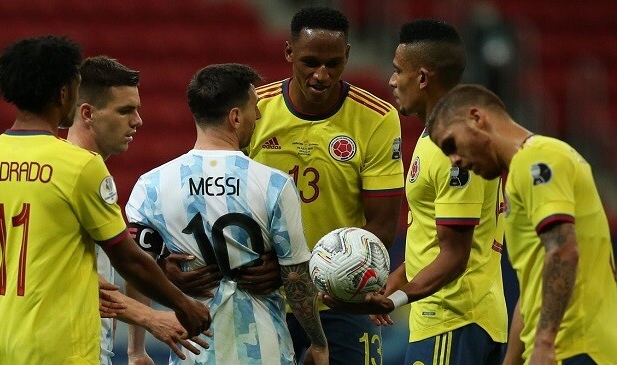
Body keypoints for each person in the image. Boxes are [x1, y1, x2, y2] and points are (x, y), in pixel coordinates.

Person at [0, 35, 210, 364]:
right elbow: (129, 260)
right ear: (64, 92)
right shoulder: (77, 167)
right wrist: (182, 305)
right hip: (63, 348)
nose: (137, 120)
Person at [320, 19, 508, 365]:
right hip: (454, 319)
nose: (391, 81)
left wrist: (395, 300)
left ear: (422, 78)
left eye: (397, 71)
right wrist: (393, 281)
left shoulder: (454, 146)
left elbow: (454, 255)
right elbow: (434, 241)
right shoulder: (436, 135)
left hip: (453, 320)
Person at [125, 63, 329, 365]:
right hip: (265, 350)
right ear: (235, 117)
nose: (258, 116)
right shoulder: (274, 184)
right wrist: (318, 342)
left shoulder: (151, 185)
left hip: (193, 354)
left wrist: (136, 350)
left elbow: (137, 268)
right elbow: (296, 276)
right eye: (254, 108)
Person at [246, 7, 405, 364]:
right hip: (265, 296)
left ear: (348, 55)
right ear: (289, 53)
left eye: (333, 64)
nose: (321, 75)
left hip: (339, 299)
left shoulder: (377, 118)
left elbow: (381, 224)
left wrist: (322, 277)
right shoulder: (254, 108)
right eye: (310, 62)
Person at [427, 83, 617, 365]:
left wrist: (544, 343)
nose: (454, 160)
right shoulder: (522, 173)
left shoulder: (537, 158)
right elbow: (532, 292)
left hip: (575, 348)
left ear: (476, 119)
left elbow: (563, 251)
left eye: (451, 145)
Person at [67, 55, 209, 364]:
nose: (138, 121)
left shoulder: (85, 172)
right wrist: (154, 316)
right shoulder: (75, 174)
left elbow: (106, 269)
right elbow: (59, 278)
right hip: (68, 351)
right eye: (125, 110)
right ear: (88, 113)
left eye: (137, 110)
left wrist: (134, 349)